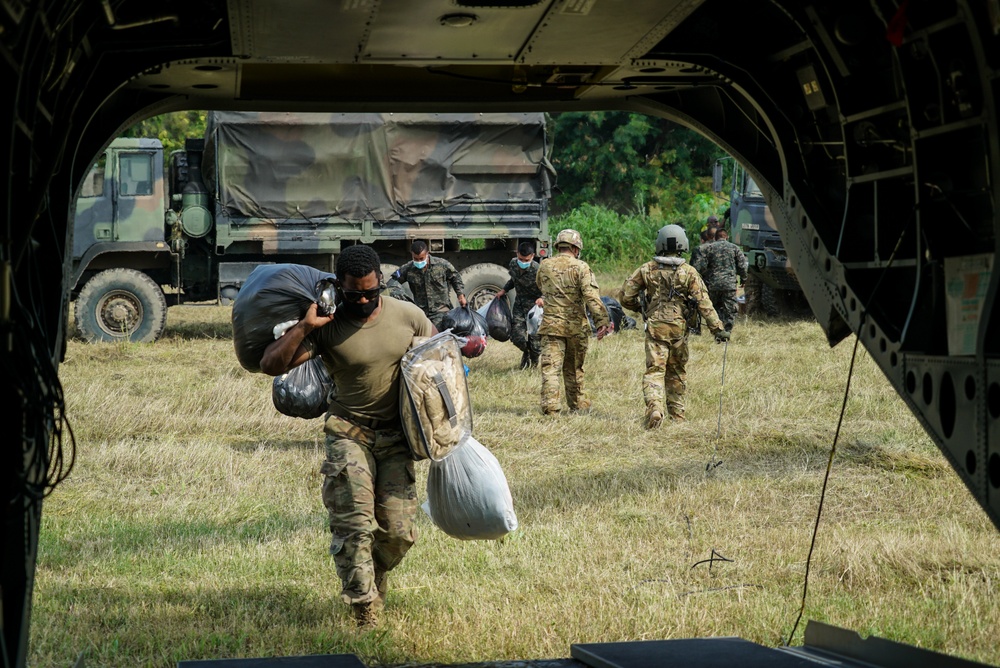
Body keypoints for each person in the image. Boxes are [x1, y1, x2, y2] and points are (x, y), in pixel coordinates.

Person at [259, 245, 435, 628]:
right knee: (354, 525)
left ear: (380, 285)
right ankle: (364, 608)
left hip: (397, 438)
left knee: (399, 532)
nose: (364, 300)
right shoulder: (328, 325)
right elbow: (271, 363)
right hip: (348, 432)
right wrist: (306, 327)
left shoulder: (409, 317)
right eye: (355, 293)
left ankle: (371, 575)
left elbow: (439, 364)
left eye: (371, 292)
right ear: (340, 287)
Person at [621, 224, 729, 428]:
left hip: (655, 329)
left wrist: (640, 308)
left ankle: (655, 408)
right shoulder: (688, 272)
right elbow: (704, 303)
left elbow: (626, 296)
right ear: (683, 244)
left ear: (659, 242)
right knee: (677, 371)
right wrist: (718, 329)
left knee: (654, 371)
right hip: (679, 329)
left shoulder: (646, 269)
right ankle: (678, 416)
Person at [535, 228, 612, 415]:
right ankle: (577, 405)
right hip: (575, 327)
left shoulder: (544, 265)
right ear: (576, 248)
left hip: (551, 325)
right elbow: (591, 296)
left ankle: (551, 407)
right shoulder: (581, 267)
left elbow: (539, 285)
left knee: (550, 368)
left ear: (559, 246)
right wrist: (602, 321)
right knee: (574, 367)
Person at [387, 240, 466, 329]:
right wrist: (398, 293)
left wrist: (460, 295)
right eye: (416, 259)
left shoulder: (441, 264)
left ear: (427, 254)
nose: (419, 262)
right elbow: (393, 280)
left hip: (441, 310)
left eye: (421, 258)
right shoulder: (408, 268)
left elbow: (455, 277)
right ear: (412, 255)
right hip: (421, 312)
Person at [496, 241, 542, 369]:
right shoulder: (513, 264)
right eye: (520, 259)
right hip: (520, 305)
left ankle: (533, 364)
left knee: (536, 342)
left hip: (535, 307)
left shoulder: (538, 270)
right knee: (517, 336)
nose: (522, 262)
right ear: (517, 254)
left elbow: (549, 288)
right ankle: (526, 353)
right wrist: (504, 290)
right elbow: (513, 280)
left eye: (526, 260)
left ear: (532, 256)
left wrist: (542, 298)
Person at [691, 227, 748, 332]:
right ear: (727, 237)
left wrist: (703, 278)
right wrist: (743, 279)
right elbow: (742, 266)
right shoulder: (735, 248)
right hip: (729, 285)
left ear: (715, 238)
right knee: (730, 310)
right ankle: (727, 329)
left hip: (713, 284)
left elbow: (701, 266)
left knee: (714, 307)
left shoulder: (709, 248)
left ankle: (717, 328)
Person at [686, 227, 716, 335]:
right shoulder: (720, 247)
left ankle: (695, 329)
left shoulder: (700, 249)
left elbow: (696, 268)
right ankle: (719, 328)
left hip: (704, 282)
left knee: (697, 305)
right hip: (719, 281)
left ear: (702, 239)